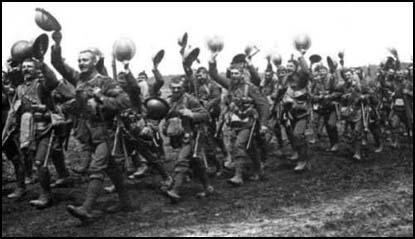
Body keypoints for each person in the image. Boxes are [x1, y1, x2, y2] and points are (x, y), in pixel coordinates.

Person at [51, 31, 131, 221]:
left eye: (85, 60)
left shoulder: (104, 82)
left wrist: (101, 97)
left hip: (105, 132)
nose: (80, 63)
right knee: (111, 168)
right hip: (89, 133)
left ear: (94, 62)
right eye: (79, 60)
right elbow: (58, 64)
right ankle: (126, 201)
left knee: (97, 168)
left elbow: (125, 101)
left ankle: (86, 208)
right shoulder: (79, 78)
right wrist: (57, 43)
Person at [209, 51, 270, 186]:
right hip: (235, 122)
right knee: (250, 147)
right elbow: (214, 75)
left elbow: (264, 105)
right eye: (233, 73)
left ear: (242, 74)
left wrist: (264, 124)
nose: (234, 76)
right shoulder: (230, 85)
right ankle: (259, 170)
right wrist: (212, 61)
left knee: (239, 146)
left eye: (237, 73)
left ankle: (238, 176)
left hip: (248, 122)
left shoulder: (251, 88)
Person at [162, 75, 214, 202]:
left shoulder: (190, 100)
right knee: (195, 163)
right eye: (173, 88)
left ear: (183, 88)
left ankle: (175, 191)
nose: (175, 91)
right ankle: (208, 187)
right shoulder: (170, 102)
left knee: (181, 161)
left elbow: (205, 115)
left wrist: (191, 114)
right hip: (178, 137)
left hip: (191, 136)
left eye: (178, 88)